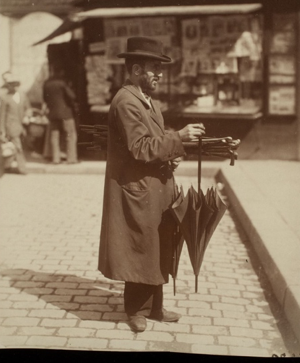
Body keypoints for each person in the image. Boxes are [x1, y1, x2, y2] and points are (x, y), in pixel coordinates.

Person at [98, 36, 205, 333]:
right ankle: (135, 309)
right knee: (140, 246)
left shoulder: (146, 100)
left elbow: (154, 143)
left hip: (154, 186)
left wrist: (172, 152)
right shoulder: (125, 102)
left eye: (160, 69)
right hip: (138, 189)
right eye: (153, 69)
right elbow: (140, 147)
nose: (159, 74)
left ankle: (155, 307)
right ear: (135, 70)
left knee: (158, 244)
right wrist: (179, 138)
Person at [43, 63, 78, 165]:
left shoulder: (47, 83)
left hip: (53, 114)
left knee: (54, 137)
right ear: (61, 72)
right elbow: (72, 96)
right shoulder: (62, 83)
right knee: (70, 135)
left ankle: (56, 159)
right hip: (66, 114)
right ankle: (71, 159)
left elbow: (45, 98)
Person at [0, 72, 30, 175]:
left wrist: (27, 115)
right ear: (8, 86)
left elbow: (28, 108)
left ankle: (5, 165)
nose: (14, 87)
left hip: (22, 126)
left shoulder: (23, 95)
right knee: (18, 147)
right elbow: (2, 115)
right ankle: (22, 169)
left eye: (16, 84)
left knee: (13, 147)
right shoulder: (5, 97)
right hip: (11, 126)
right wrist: (2, 129)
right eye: (11, 85)